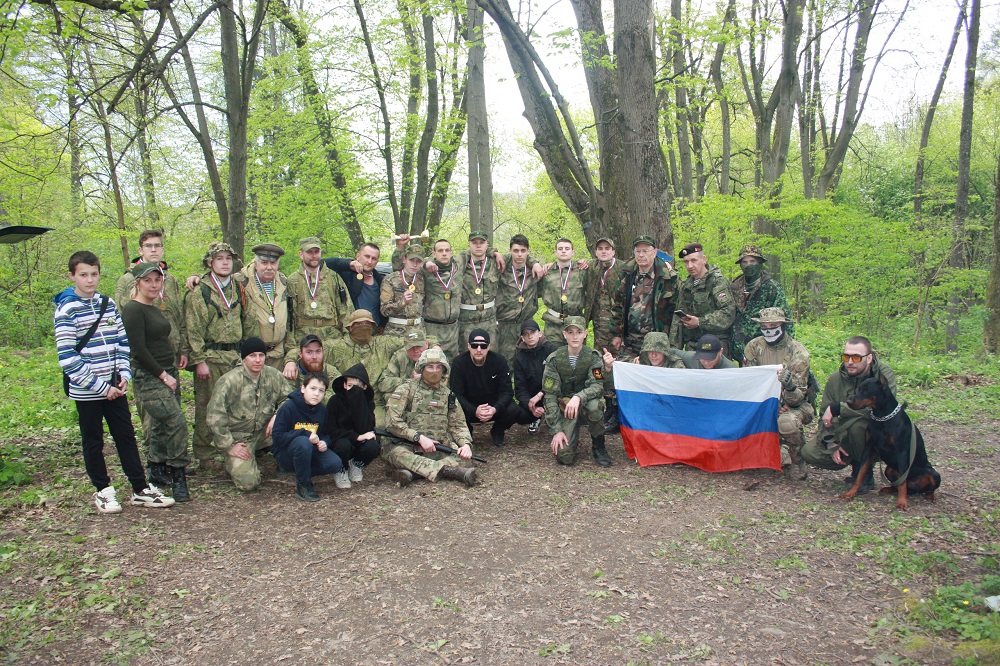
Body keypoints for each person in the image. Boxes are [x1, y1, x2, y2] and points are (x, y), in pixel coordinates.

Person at [55, 251, 174, 514]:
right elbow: (67, 357)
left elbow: (121, 342)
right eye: (83, 275)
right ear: (72, 276)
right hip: (88, 389)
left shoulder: (107, 304)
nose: (89, 280)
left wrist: (123, 375)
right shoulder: (66, 309)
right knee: (93, 440)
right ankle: (103, 490)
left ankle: (140, 488)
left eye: (94, 274)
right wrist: (100, 387)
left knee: (125, 436)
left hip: (115, 386)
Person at [114, 229, 188, 463]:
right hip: (147, 362)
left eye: (158, 245)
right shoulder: (128, 280)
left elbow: (178, 315)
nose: (154, 249)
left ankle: (169, 461)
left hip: (170, 356)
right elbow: (127, 323)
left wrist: (182, 348)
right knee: (153, 417)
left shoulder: (170, 280)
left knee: (171, 414)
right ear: (141, 250)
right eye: (149, 246)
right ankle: (156, 461)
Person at [121, 263, 191, 501]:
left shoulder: (153, 307)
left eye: (157, 280)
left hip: (167, 369)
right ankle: (178, 474)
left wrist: (172, 366)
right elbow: (138, 349)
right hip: (150, 375)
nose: (153, 285)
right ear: (137, 283)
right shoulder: (133, 309)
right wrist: (163, 375)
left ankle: (157, 469)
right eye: (147, 280)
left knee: (161, 425)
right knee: (176, 422)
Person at [801, 336, 897, 490]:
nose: (850, 362)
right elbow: (824, 415)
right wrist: (831, 442)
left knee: (858, 427)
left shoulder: (883, 375)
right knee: (809, 452)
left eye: (856, 357)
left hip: (878, 434)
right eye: (846, 357)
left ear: (869, 358)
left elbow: (883, 408)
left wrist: (839, 408)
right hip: (844, 432)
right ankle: (853, 458)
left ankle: (864, 474)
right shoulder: (835, 379)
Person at [607, 235, 678, 431]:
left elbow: (675, 309)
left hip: (656, 338)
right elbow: (617, 304)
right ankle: (619, 415)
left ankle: (656, 418)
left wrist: (670, 340)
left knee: (655, 378)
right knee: (623, 374)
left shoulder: (667, 276)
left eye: (645, 251)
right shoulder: (627, 273)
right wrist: (616, 333)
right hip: (630, 336)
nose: (641, 255)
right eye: (638, 251)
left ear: (654, 252)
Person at [185, 241, 245, 471]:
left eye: (228, 258)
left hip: (234, 357)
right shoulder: (200, 291)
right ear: (210, 263)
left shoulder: (238, 287)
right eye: (220, 259)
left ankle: (231, 450)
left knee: (235, 405)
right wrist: (199, 360)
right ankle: (205, 453)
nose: (225, 263)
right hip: (210, 357)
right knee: (207, 406)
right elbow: (193, 329)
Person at [383, 348, 477, 487]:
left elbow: (458, 425)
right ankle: (449, 471)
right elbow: (392, 422)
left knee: (465, 457)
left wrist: (466, 445)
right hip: (408, 446)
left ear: (444, 370)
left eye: (439, 367)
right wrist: (418, 438)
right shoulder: (407, 389)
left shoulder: (448, 395)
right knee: (398, 455)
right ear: (422, 368)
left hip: (439, 447)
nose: (434, 371)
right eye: (430, 367)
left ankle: (414, 473)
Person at [207, 337, 289, 491]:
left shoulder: (274, 376)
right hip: (240, 438)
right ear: (244, 358)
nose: (257, 360)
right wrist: (229, 446)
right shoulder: (229, 381)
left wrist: (277, 415)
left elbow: (289, 398)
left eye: (261, 355)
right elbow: (214, 416)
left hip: (265, 432)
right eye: (252, 356)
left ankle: (277, 457)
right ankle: (234, 462)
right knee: (248, 483)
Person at [742, 308, 812, 480]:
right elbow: (748, 381)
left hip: (794, 404)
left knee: (787, 423)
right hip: (763, 401)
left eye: (773, 326)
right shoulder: (753, 346)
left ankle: (798, 461)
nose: (769, 330)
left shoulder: (798, 353)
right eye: (764, 326)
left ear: (783, 325)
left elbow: (798, 397)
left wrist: (789, 388)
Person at [542, 316, 610, 467]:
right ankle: (570, 434)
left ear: (585, 334)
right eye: (570, 332)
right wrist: (557, 430)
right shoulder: (554, 359)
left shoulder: (593, 357)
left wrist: (579, 397)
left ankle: (599, 445)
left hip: (585, 405)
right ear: (564, 334)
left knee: (595, 407)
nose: (575, 336)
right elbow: (550, 396)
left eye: (579, 332)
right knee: (564, 457)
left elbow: (597, 386)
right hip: (565, 409)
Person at [449, 329, 532, 447]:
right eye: (474, 345)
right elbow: (456, 393)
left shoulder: (499, 361)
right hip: (469, 406)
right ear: (468, 346)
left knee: (513, 409)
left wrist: (495, 408)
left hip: (493, 405)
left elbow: (507, 391)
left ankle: (498, 430)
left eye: (483, 346)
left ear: (488, 347)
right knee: (453, 407)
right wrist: (474, 410)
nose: (479, 349)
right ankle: (466, 432)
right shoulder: (459, 363)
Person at [270, 371, 341, 502]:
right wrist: (305, 433)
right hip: (287, 453)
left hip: (310, 452)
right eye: (313, 388)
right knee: (303, 442)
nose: (316, 394)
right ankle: (303, 484)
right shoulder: (288, 407)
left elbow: (326, 434)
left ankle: (301, 469)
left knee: (335, 463)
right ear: (303, 388)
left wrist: (324, 442)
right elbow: (277, 437)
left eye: (321, 391)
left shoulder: (322, 410)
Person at [326, 310, 406, 424]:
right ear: (350, 327)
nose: (363, 327)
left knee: (378, 426)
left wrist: (431, 344)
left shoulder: (384, 344)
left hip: (375, 403)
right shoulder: (335, 346)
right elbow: (310, 353)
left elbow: (412, 341)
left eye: (367, 324)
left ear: (373, 327)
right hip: (345, 401)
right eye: (359, 324)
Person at [285, 236, 353, 361]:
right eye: (309, 252)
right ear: (301, 254)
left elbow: (346, 310)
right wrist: (291, 349)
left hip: (332, 338)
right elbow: (289, 318)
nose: (314, 256)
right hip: (304, 339)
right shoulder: (292, 280)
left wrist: (348, 338)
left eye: (316, 252)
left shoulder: (334, 277)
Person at [235, 243, 295, 375]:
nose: (269, 267)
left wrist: (290, 357)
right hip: (251, 358)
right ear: (256, 263)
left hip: (278, 356)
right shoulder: (240, 283)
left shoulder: (284, 283)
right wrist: (196, 277)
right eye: (264, 263)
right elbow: (217, 280)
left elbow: (291, 323)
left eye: (273, 263)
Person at [730, 245, 794, 363]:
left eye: (752, 261)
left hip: (767, 349)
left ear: (760, 263)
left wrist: (787, 349)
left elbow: (785, 320)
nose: (748, 265)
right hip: (740, 350)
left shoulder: (771, 287)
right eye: (744, 262)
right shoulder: (734, 287)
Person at [671, 243, 735, 355]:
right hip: (693, 345)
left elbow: (728, 313)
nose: (690, 266)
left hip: (715, 343)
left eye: (693, 260)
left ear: (703, 259)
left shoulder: (717, 282)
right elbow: (678, 320)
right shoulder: (686, 286)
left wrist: (700, 322)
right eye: (686, 262)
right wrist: (673, 350)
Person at [325, 363, 381, 488]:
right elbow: (331, 430)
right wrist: (356, 437)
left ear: (364, 387)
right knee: (343, 445)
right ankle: (341, 468)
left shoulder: (368, 403)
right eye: (350, 386)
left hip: (359, 442)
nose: (353, 391)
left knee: (373, 446)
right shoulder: (335, 401)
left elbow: (366, 428)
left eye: (357, 388)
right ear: (344, 385)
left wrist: (358, 403)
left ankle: (356, 464)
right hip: (340, 440)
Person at [496, 234, 541, 362]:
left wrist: (535, 263)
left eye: (523, 250)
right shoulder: (501, 267)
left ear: (528, 251)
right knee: (506, 361)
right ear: (510, 251)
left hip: (527, 325)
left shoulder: (534, 270)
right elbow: (482, 254)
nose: (519, 254)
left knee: (529, 361)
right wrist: (495, 252)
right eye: (516, 251)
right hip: (505, 325)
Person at [418, 239, 465, 359]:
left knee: (452, 361)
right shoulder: (426, 269)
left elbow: (477, 250)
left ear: (451, 253)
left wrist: (495, 252)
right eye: (440, 251)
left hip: (453, 328)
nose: (444, 253)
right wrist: (426, 262)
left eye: (447, 250)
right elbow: (408, 263)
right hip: (432, 327)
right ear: (434, 254)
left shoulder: (459, 264)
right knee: (433, 361)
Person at [323, 242, 388, 326]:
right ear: (358, 256)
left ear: (377, 261)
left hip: (374, 330)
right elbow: (322, 263)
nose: (369, 261)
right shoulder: (346, 274)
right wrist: (348, 263)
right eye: (367, 256)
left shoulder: (381, 281)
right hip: (350, 328)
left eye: (374, 258)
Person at [539, 238, 590, 347]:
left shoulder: (582, 270)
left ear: (573, 252)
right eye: (560, 248)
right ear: (555, 252)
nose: (563, 251)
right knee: (553, 354)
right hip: (553, 323)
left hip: (575, 323)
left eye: (567, 248)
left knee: (575, 354)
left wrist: (586, 261)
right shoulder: (546, 272)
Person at [512, 320, 557, 434]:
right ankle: (536, 417)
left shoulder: (551, 350)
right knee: (519, 415)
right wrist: (530, 406)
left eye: (532, 332)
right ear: (522, 338)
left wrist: (541, 394)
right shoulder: (519, 358)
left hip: (553, 393)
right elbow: (520, 388)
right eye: (526, 334)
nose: (530, 336)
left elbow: (557, 377)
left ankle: (555, 419)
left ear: (540, 333)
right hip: (533, 399)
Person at [586, 237, 625, 356]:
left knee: (618, 356)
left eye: (607, 249)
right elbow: (568, 264)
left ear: (613, 252)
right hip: (599, 325)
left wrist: (666, 265)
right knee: (600, 356)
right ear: (596, 252)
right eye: (600, 249)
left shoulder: (623, 268)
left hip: (618, 324)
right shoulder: (591, 267)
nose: (603, 251)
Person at [380, 243, 426, 338]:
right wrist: (402, 303)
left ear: (422, 263)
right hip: (395, 331)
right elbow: (384, 310)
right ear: (404, 259)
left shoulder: (422, 280)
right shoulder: (390, 279)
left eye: (418, 261)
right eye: (411, 260)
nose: (415, 264)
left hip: (417, 330)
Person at [377, 329, 432, 406]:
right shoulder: (400, 356)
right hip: (404, 399)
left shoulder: (434, 357)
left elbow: (443, 384)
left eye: (419, 346)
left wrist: (425, 380)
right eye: (411, 347)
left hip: (427, 399)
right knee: (390, 396)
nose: (415, 350)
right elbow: (382, 384)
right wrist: (409, 381)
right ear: (405, 346)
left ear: (426, 344)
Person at [291, 334, 341, 402]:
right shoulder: (291, 372)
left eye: (318, 351)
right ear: (300, 354)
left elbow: (337, 399)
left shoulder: (332, 373)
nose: (314, 357)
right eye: (309, 352)